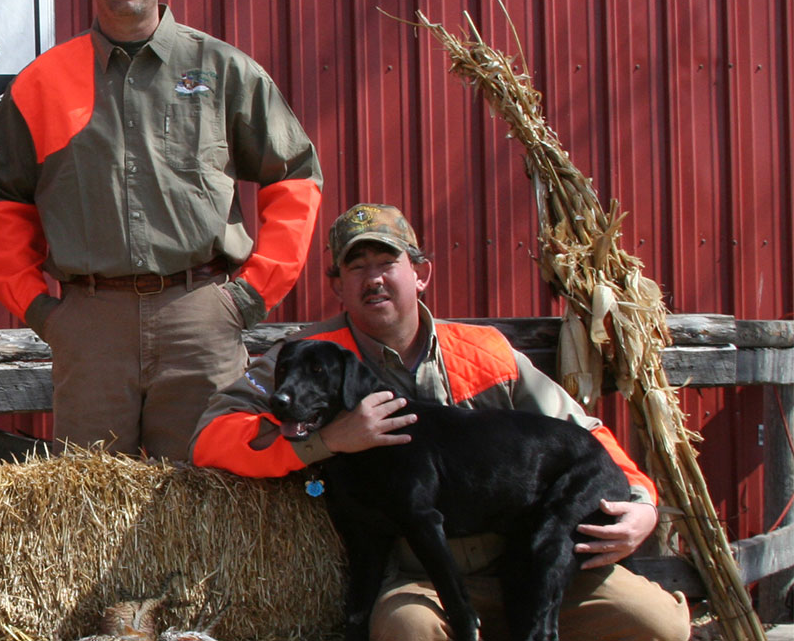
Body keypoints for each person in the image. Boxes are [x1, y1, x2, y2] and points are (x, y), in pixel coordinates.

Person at [191, 203, 689, 641]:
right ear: (338, 286)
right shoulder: (300, 359)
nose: (374, 279)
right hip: (416, 578)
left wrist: (641, 505)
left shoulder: (486, 352)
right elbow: (211, 440)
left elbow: (585, 434)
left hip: (530, 562)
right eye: (356, 267)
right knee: (410, 631)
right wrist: (326, 441)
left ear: (420, 273)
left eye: (388, 262)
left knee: (656, 623)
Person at [0, 0, 323, 460]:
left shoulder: (222, 70)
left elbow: (295, 176)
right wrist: (41, 311)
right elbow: (1, 203)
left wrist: (253, 294)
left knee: (210, 497)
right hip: (90, 325)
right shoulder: (41, 83)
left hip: (201, 317)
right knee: (91, 508)